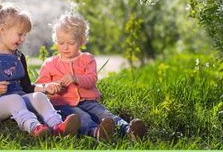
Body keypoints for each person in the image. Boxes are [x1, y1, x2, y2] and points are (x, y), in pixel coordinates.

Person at [0, 0, 80, 138]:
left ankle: (58, 125)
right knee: (15, 100)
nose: (22, 39)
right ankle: (35, 127)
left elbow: (27, 87)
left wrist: (46, 88)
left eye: (25, 35)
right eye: (20, 34)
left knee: (39, 97)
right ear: (2, 30)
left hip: (19, 97)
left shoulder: (19, 57)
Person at [36, 12, 147, 141]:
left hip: (88, 101)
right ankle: (97, 132)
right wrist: (49, 87)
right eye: (61, 43)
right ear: (56, 41)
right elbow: (40, 86)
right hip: (64, 105)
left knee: (105, 114)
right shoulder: (50, 63)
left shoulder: (87, 59)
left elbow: (91, 80)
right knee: (82, 117)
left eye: (71, 43)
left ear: (81, 41)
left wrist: (75, 78)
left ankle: (130, 130)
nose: (65, 47)